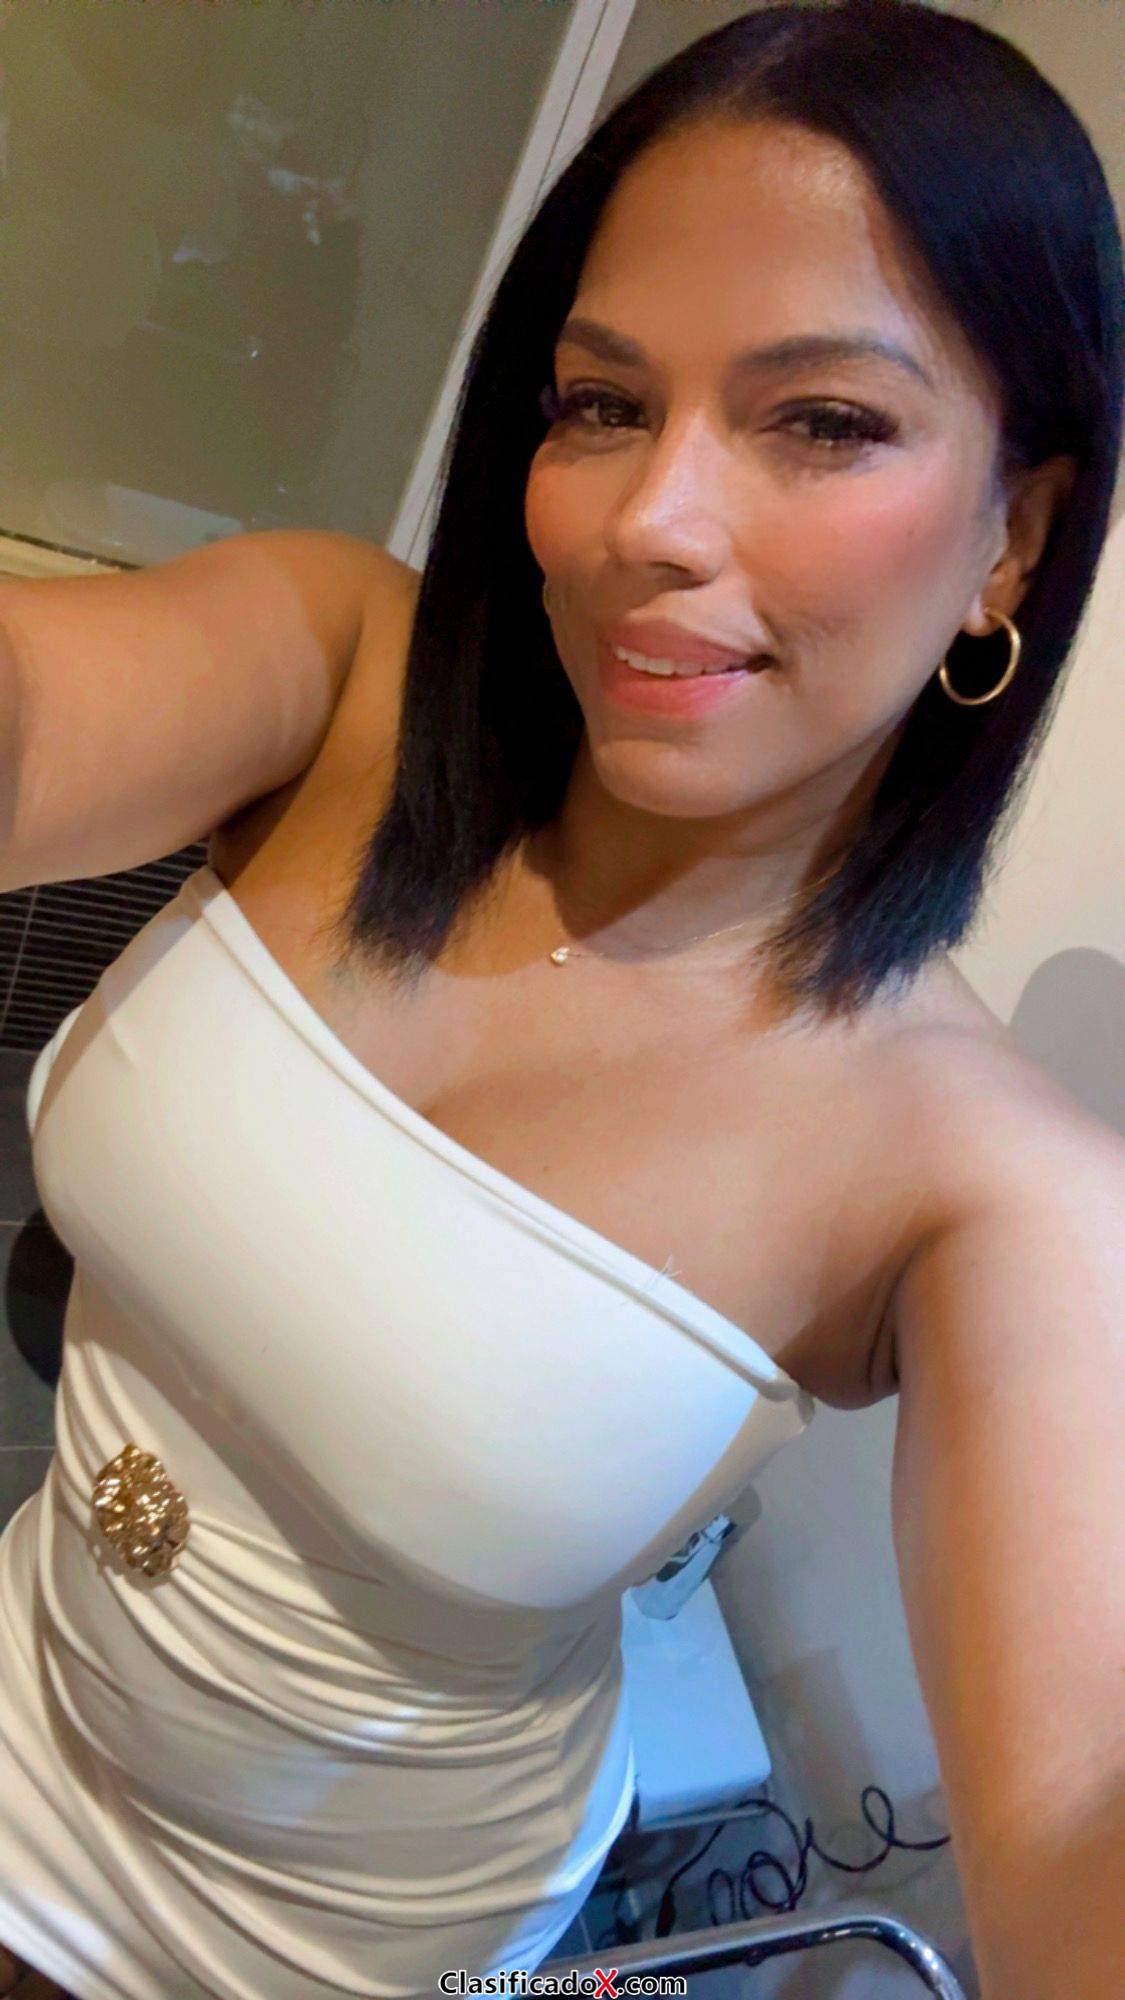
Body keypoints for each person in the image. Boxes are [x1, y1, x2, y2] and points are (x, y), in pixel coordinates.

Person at [0, 2, 1122, 1995]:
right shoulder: (343, 677)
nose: (643, 523)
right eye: (600, 403)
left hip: (336, 1951)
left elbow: (1072, 1834)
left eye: (819, 421)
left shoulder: (983, 1180)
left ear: (1011, 538)